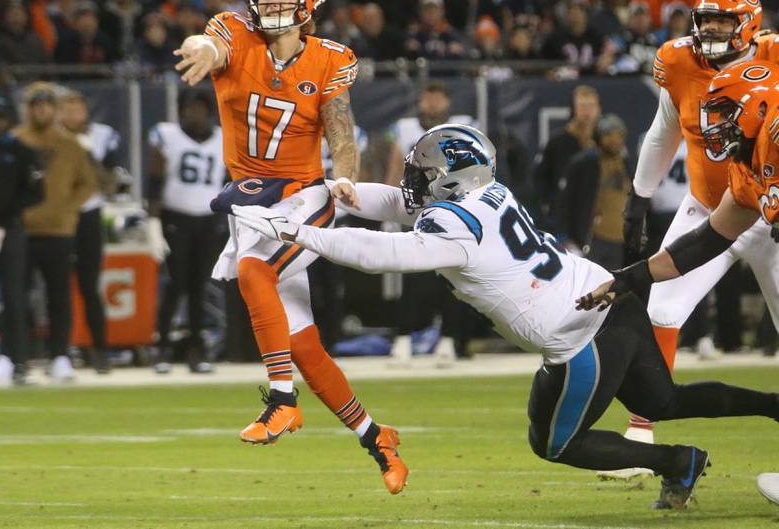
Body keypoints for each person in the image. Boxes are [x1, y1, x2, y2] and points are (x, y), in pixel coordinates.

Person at [234, 123, 779, 512]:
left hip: (579, 338)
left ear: (452, 179)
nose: (415, 181)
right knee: (664, 400)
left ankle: (678, 462)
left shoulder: (454, 226)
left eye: (425, 173)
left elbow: (384, 254)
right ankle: (772, 407)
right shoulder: (485, 193)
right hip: (611, 298)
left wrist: (296, 231)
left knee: (555, 444)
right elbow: (397, 205)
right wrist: (332, 193)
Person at [172, 0, 408, 494]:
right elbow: (208, 41)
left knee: (254, 270)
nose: (275, 3)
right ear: (251, 0)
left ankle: (283, 398)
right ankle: (379, 439)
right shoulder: (233, 35)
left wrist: (345, 176)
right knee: (302, 343)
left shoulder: (329, 58)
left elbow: (340, 128)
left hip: (304, 196)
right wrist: (198, 48)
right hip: (250, 204)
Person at [608, 0, 779, 479]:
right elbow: (666, 133)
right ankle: (644, 424)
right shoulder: (681, 65)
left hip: (763, 208)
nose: (713, 131)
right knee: (662, 307)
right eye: (704, 20)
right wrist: (639, 206)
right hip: (722, 205)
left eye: (723, 21)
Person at [385, 80, 475, 364]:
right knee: (412, 278)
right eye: (428, 97)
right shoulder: (405, 129)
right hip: (418, 211)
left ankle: (449, 340)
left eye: (438, 97)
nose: (432, 103)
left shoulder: (465, 126)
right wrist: (391, 211)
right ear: (421, 100)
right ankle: (403, 339)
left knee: (452, 279)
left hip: (452, 211)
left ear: (447, 101)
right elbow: (394, 170)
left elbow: (476, 170)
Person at [13, 82, 96, 381]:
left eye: (47, 105)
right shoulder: (14, 140)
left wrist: (67, 208)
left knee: (59, 296)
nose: (42, 110)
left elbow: (88, 183)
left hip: (59, 230)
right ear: (28, 109)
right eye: (36, 105)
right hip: (21, 229)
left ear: (55, 109)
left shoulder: (70, 144)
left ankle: (60, 354)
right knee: (16, 296)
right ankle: (15, 356)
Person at [147, 88, 227, 374]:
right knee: (176, 283)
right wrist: (153, 221)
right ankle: (162, 348)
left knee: (198, 287)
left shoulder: (223, 138)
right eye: (189, 108)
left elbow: (230, 182)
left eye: (200, 108)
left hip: (208, 220)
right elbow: (154, 180)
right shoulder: (167, 135)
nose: (194, 114)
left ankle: (197, 349)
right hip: (175, 218)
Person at [0, 97, 44, 386]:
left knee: (14, 295)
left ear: (9, 120)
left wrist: (7, 208)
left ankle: (17, 360)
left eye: (0, 118)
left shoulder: (22, 152)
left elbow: (37, 192)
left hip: (9, 228)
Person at [60, 89, 122, 374]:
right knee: (55, 286)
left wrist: (85, 158)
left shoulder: (102, 135)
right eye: (67, 108)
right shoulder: (51, 137)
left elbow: (109, 184)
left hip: (88, 214)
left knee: (90, 285)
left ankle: (100, 350)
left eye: (77, 108)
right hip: (58, 216)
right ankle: (59, 352)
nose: (73, 114)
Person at [555, 114, 631, 268]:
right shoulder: (585, 163)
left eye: (619, 135)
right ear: (598, 137)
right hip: (593, 239)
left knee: (614, 289)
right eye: (609, 135)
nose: (615, 140)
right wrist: (564, 236)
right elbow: (565, 202)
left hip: (619, 240)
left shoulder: (626, 164)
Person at [533, 85, 601, 224]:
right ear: (574, 109)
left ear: (599, 109)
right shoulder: (557, 142)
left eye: (591, 106)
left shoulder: (605, 141)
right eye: (582, 106)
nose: (587, 111)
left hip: (598, 219)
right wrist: (551, 206)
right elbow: (540, 178)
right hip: (564, 217)